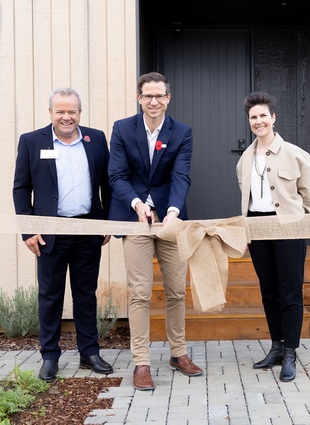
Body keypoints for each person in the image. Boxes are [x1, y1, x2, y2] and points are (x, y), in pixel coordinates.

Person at [108, 72, 203, 391]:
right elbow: (117, 176)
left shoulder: (182, 133)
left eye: (159, 96)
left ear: (168, 98)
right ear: (139, 98)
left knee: (176, 290)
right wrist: (136, 204)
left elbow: (181, 176)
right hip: (133, 218)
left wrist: (174, 211)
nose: (154, 101)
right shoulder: (122, 129)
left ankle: (178, 354)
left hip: (170, 220)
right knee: (140, 293)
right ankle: (142, 363)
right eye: (148, 96)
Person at [13, 87, 114, 382]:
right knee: (50, 295)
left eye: (72, 111)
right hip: (50, 233)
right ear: (50, 113)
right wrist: (28, 230)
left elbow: (107, 186)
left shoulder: (95, 139)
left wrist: (106, 223)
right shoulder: (32, 142)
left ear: (80, 113)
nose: (66, 117)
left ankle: (89, 352)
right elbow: (21, 188)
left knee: (86, 294)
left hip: (88, 230)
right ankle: (49, 356)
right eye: (60, 111)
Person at [236, 91, 310, 382]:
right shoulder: (244, 159)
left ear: (273, 118)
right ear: (249, 121)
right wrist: (246, 228)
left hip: (289, 227)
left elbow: (307, 195)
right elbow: (245, 198)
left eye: (262, 116)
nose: (258, 121)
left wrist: (299, 222)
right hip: (257, 229)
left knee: (290, 291)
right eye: (253, 117)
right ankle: (277, 346)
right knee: (268, 290)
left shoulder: (295, 154)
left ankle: (291, 353)